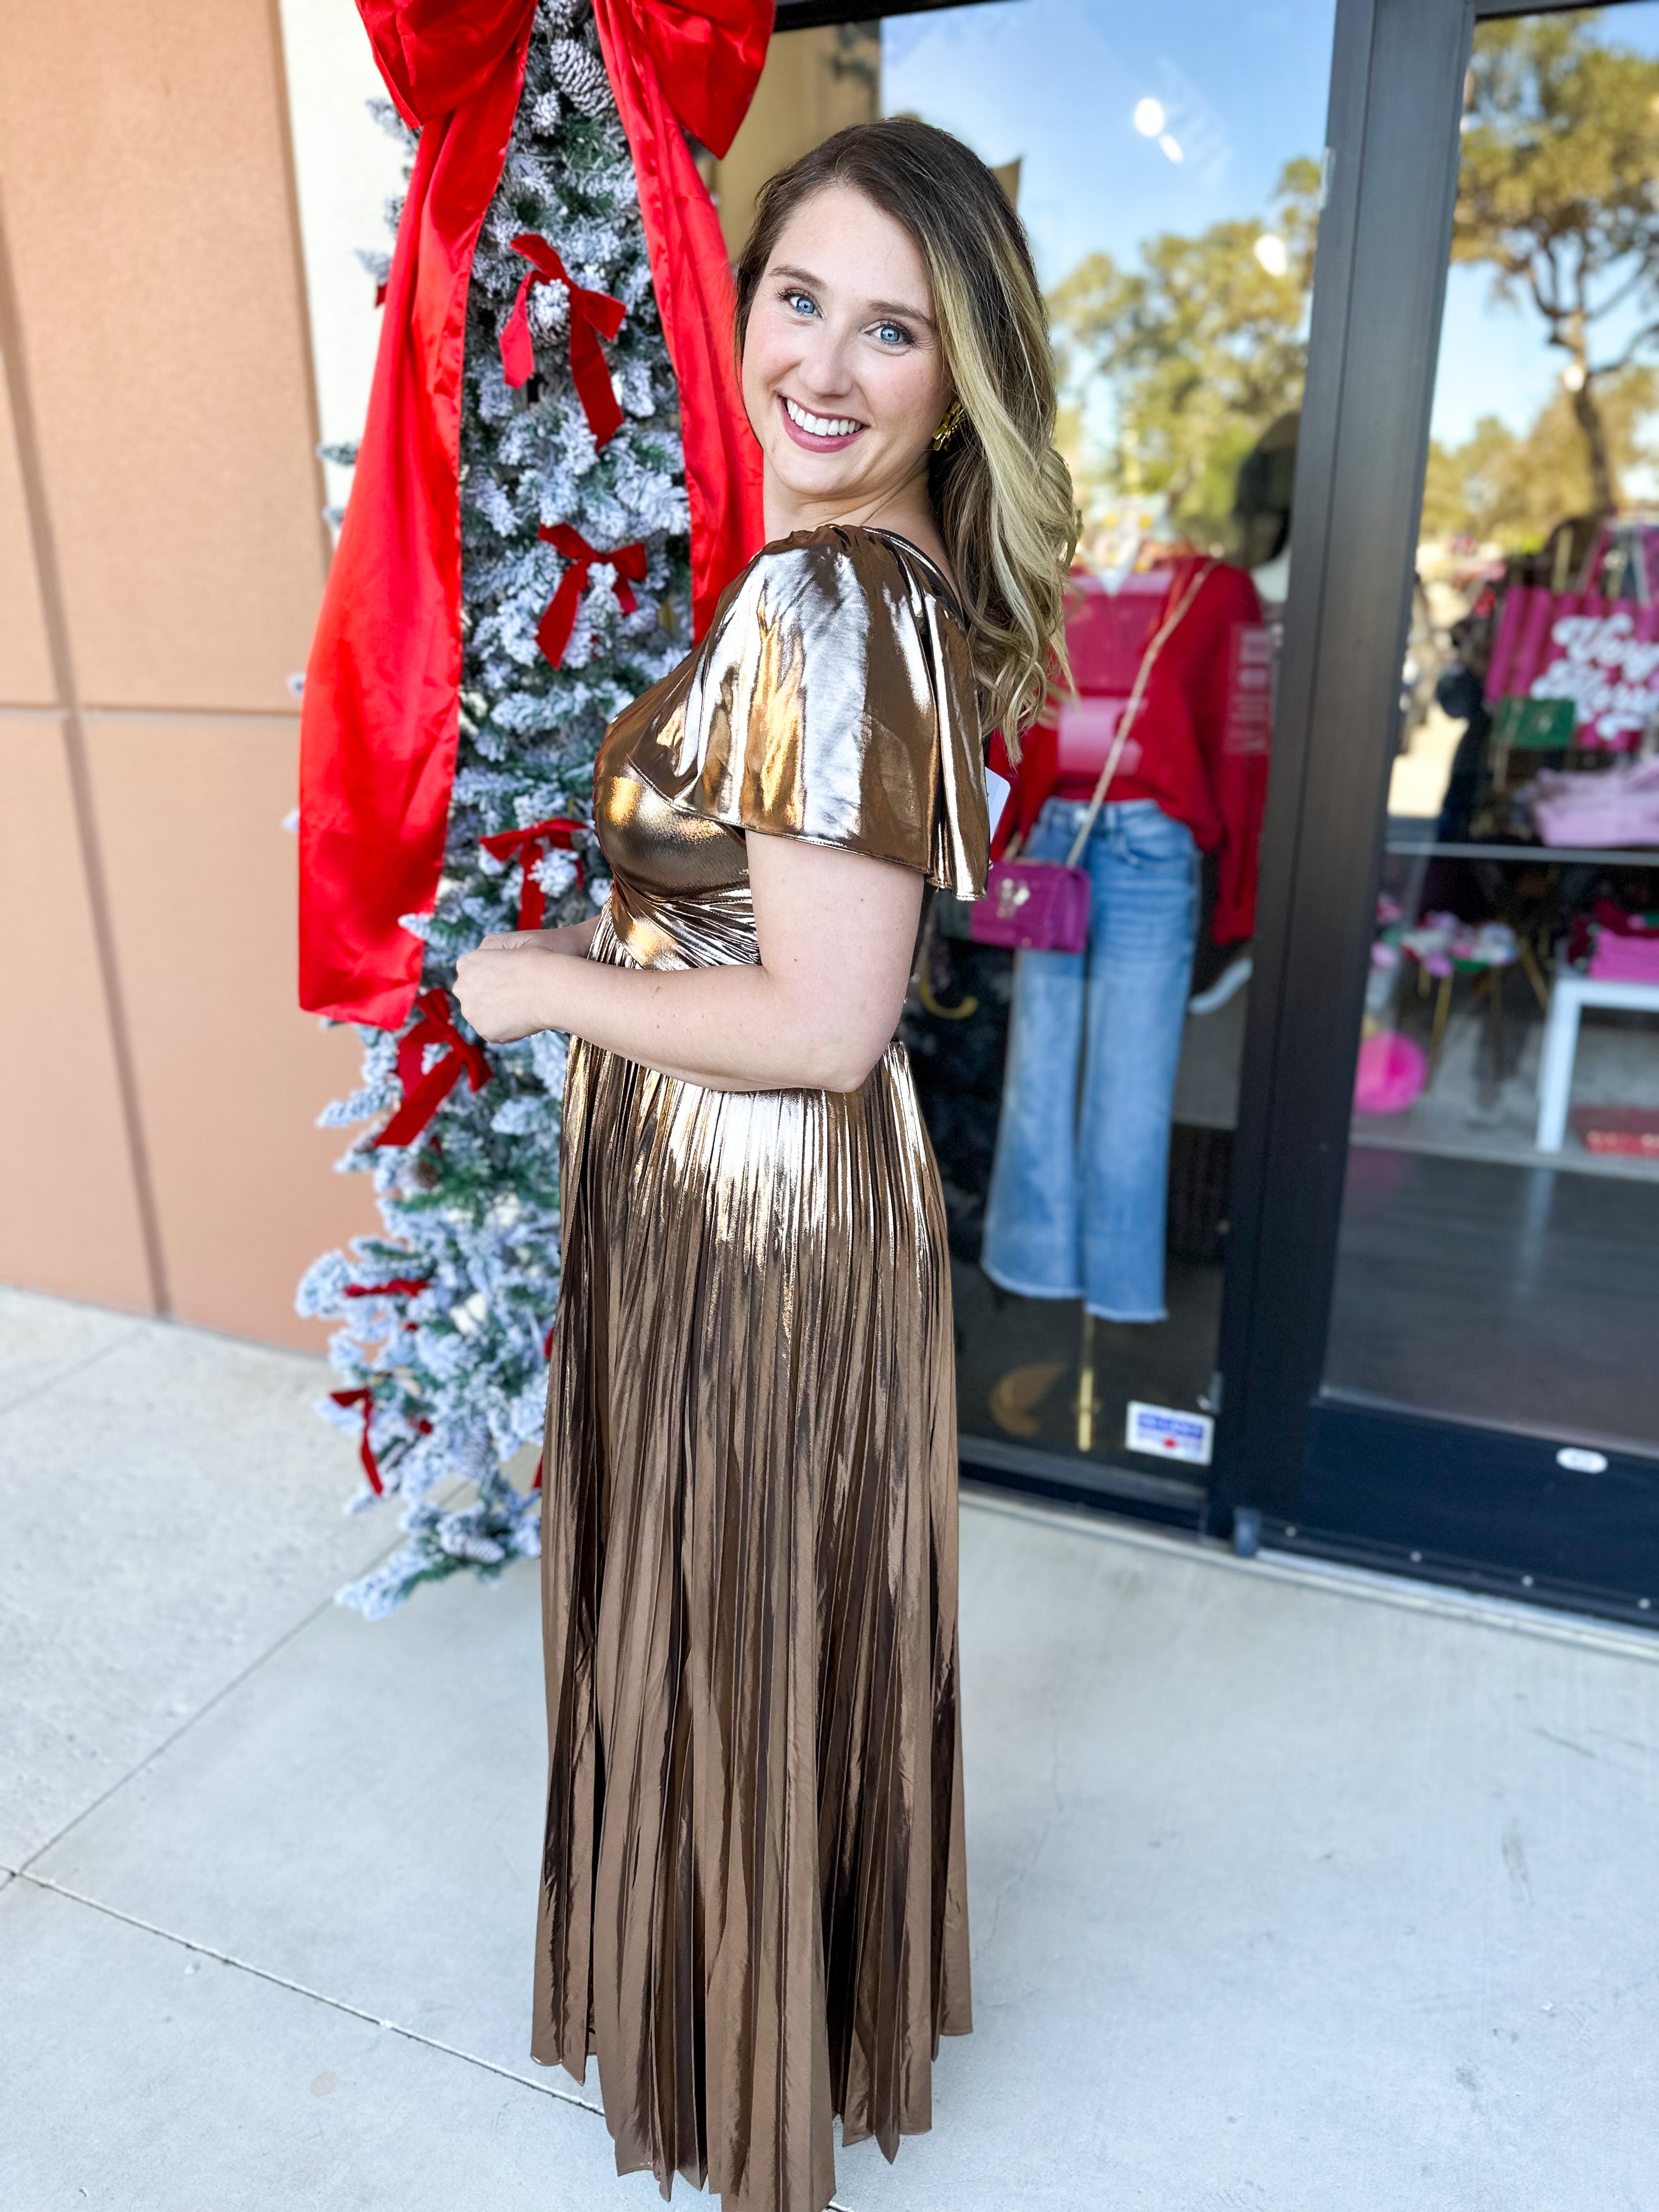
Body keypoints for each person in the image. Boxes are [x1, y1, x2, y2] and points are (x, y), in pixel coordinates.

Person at [455, 116, 1075, 2212]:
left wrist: (539, 985)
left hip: (755, 1197)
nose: (822, 363)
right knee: (760, 1614)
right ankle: (762, 2025)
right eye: (796, 299)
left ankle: (733, 2082)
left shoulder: (829, 594)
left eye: (891, 329)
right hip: (775, 1203)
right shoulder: (871, 579)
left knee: (726, 1614)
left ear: (957, 374)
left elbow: (822, 1021)